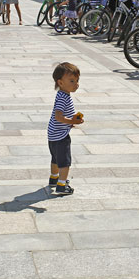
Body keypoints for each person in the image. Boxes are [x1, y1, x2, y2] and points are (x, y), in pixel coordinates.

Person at [47, 62, 83, 196]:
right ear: (60, 83)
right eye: (72, 81)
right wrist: (72, 120)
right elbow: (58, 116)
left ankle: (54, 178)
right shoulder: (63, 97)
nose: (76, 84)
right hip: (61, 135)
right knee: (65, 161)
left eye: (77, 80)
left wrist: (70, 122)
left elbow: (62, 117)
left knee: (55, 158)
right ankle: (62, 185)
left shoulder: (62, 95)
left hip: (53, 134)